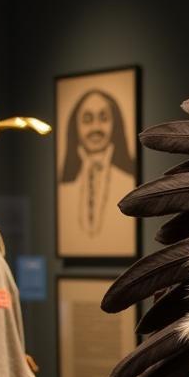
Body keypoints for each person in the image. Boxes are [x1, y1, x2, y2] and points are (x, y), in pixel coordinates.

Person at [57, 89, 135, 255]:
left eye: (104, 118)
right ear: (75, 126)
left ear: (115, 124)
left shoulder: (128, 181)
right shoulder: (65, 187)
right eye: (87, 119)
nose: (96, 127)